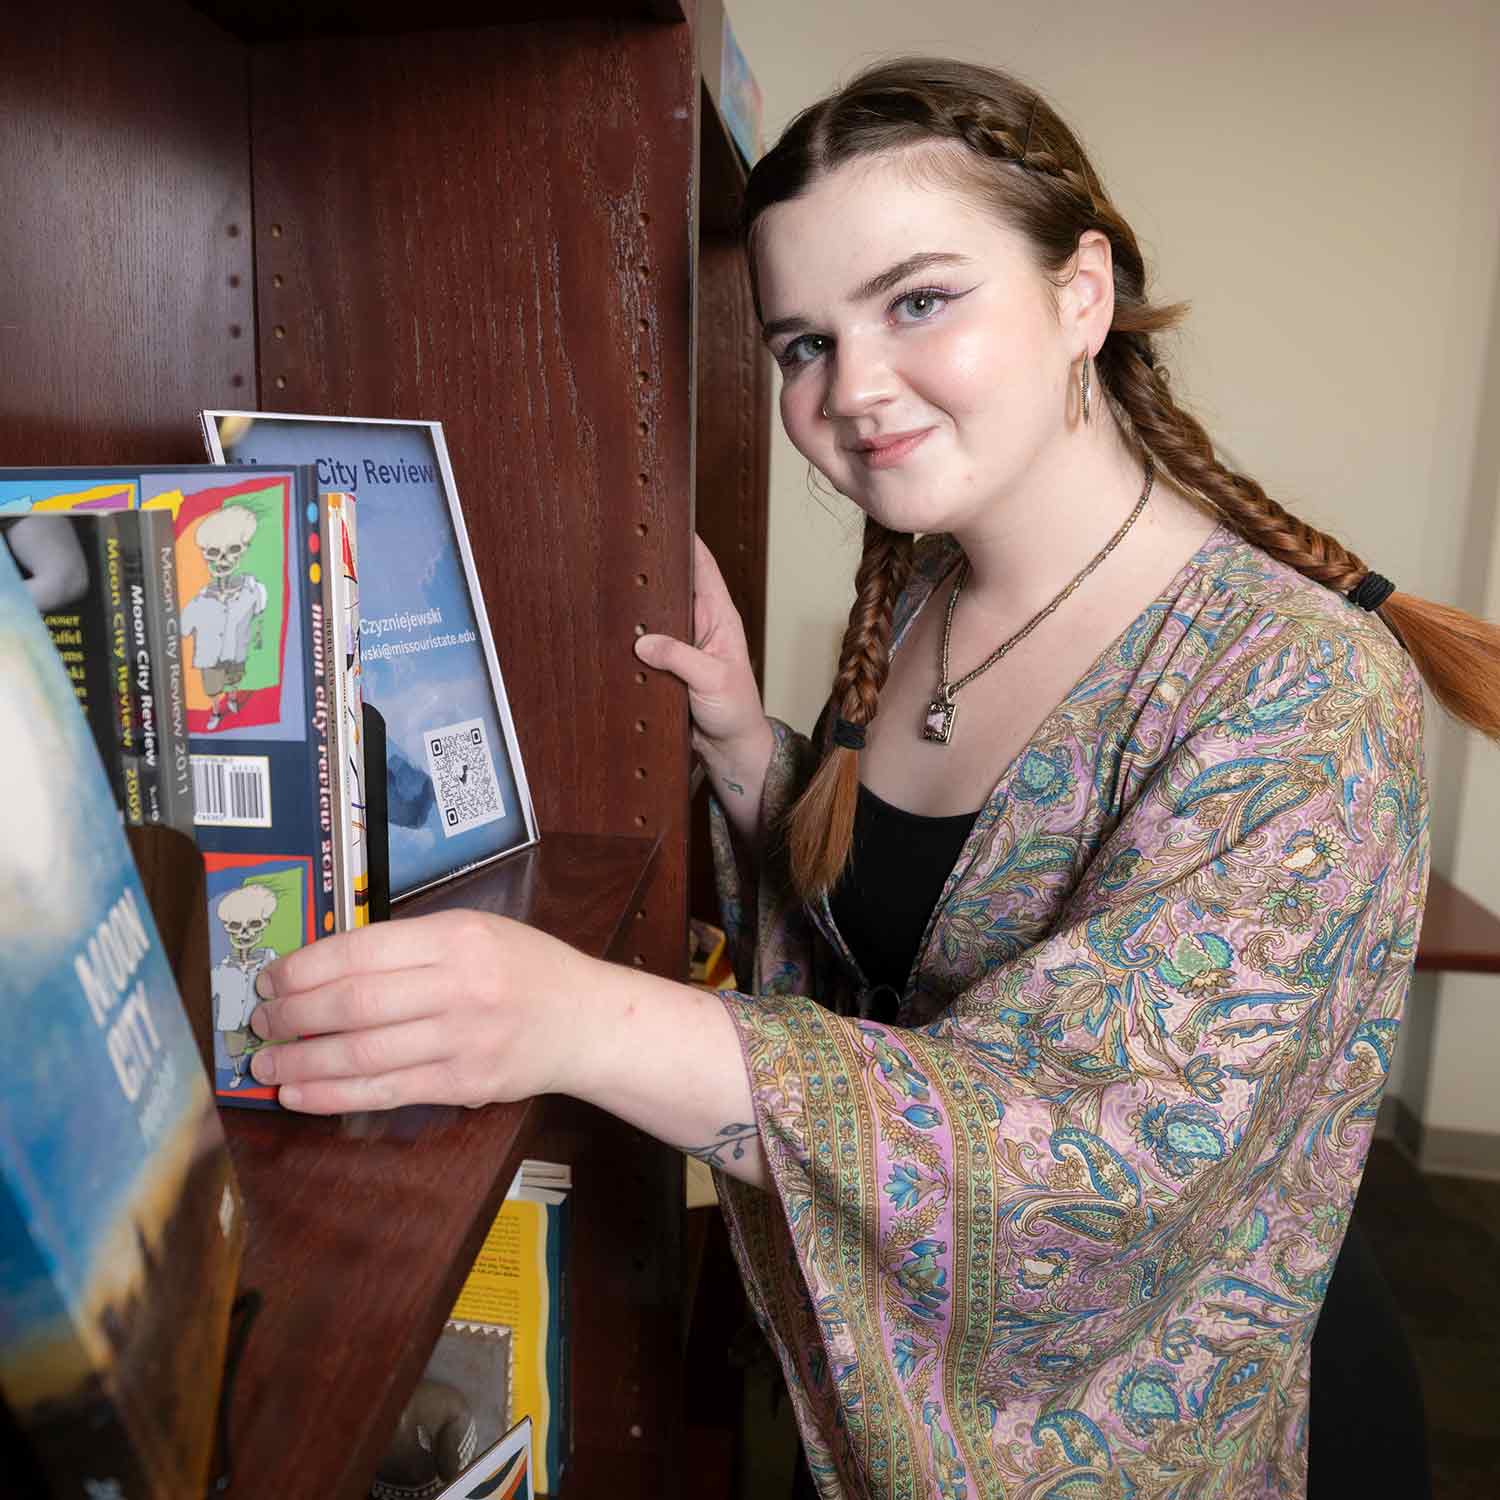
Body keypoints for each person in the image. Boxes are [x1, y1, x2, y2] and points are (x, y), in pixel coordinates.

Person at [242, 57, 1496, 1498]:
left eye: (918, 301)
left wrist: (577, 1021)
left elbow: (1098, 1157)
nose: (852, 390)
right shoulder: (919, 609)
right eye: (800, 344)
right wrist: (744, 755)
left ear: (1081, 294)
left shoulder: (1297, 688)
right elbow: (893, 939)